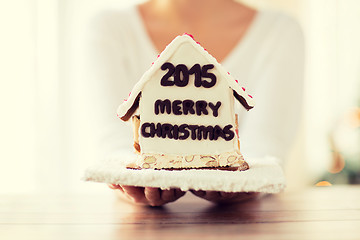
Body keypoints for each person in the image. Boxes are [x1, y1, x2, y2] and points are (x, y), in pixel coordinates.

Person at [89, 0, 304, 206]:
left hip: (243, 224)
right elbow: (114, 145)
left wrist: (247, 182)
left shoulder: (280, 32)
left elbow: (266, 147)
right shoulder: (108, 29)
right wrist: (128, 178)